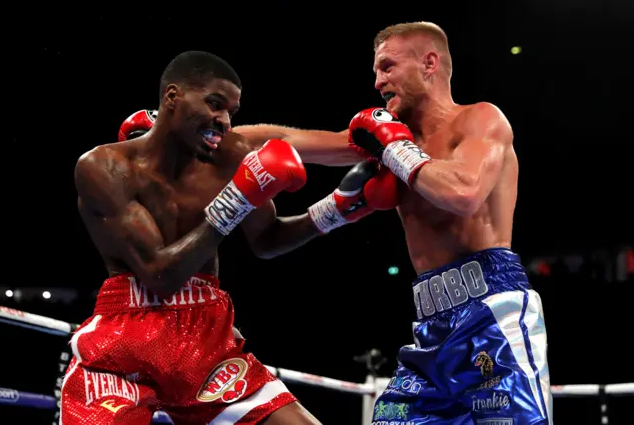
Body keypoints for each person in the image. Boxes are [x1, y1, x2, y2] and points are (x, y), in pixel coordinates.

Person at [236, 22, 552, 425]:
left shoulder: (480, 120)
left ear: (429, 63)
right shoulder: (385, 139)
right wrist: (208, 135)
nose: (377, 81)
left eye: (387, 67)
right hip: (431, 329)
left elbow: (464, 193)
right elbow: (287, 139)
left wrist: (395, 149)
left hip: (493, 313)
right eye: (375, 71)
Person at [63, 50, 399, 425]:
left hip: (206, 339)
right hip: (122, 346)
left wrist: (337, 208)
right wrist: (235, 200)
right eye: (214, 104)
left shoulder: (230, 156)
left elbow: (267, 240)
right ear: (172, 97)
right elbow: (159, 277)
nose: (222, 120)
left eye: (230, 112)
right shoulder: (104, 167)